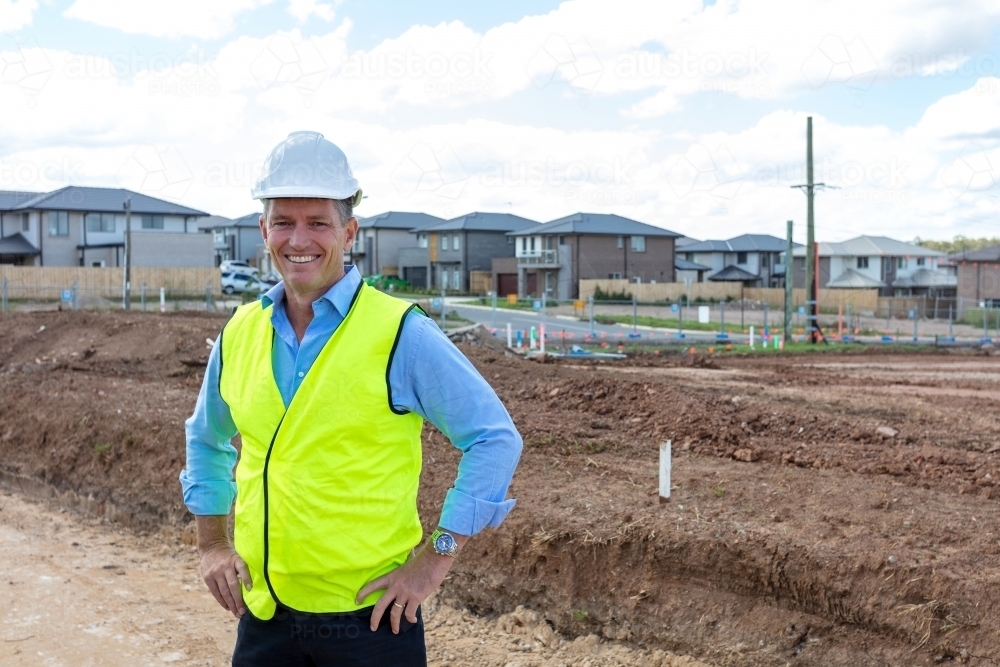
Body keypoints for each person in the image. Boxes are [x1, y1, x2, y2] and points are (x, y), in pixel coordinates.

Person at [179, 131, 523, 666]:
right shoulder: (240, 332)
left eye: (318, 222)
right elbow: (206, 439)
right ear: (263, 229)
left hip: (370, 621)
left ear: (350, 230)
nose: (300, 239)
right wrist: (211, 545)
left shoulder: (399, 332)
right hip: (265, 618)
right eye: (285, 222)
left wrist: (435, 560)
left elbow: (494, 438)